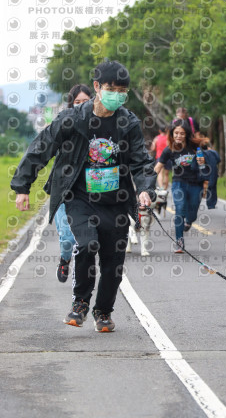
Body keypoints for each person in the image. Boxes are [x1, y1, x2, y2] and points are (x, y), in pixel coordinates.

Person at [11, 59, 156, 332]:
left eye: (122, 90)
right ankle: (80, 302)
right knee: (88, 244)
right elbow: (41, 147)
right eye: (111, 88)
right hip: (79, 198)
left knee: (114, 263)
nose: (117, 95)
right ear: (97, 87)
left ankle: (103, 311)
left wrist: (146, 190)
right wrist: (22, 186)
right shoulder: (72, 119)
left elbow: (141, 162)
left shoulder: (128, 122)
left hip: (115, 201)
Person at [54, 84, 92, 283]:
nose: (81, 106)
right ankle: (64, 259)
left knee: (86, 239)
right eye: (77, 102)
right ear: (71, 105)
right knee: (67, 237)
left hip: (88, 193)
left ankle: (81, 283)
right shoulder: (63, 124)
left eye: (85, 102)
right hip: (64, 189)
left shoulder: (99, 128)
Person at [154, 119, 206, 253]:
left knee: (192, 213)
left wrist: (203, 165)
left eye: (182, 133)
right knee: (180, 209)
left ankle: (189, 221)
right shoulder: (169, 150)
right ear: (172, 134)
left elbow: (204, 164)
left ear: (187, 134)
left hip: (196, 184)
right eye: (176, 133)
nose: (178, 136)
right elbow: (158, 168)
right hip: (179, 183)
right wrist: (146, 182)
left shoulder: (196, 147)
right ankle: (179, 241)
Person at [150, 125, 169, 190]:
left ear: (159, 131)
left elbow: (153, 148)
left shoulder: (156, 138)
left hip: (159, 157)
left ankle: (161, 188)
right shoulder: (168, 138)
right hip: (168, 157)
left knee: (160, 173)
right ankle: (165, 189)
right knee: (166, 173)